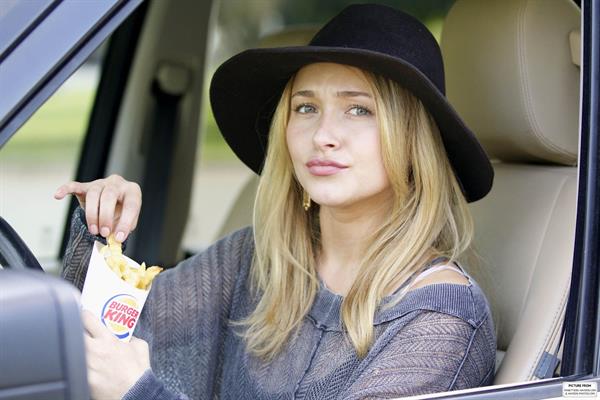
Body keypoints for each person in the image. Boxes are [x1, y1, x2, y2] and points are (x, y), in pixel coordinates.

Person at [55, 4, 496, 399]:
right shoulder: (255, 258)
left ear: (411, 137)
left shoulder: (440, 322)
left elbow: (125, 381)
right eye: (305, 108)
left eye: (358, 109)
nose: (323, 136)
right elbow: (92, 338)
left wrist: (140, 395)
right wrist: (105, 236)